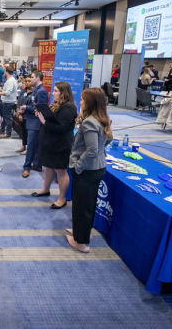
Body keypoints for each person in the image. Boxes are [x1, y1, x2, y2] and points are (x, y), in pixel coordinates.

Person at [67, 88, 112, 253]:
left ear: (90, 102)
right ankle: (81, 233)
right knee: (86, 204)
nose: (80, 102)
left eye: (82, 99)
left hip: (87, 170)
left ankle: (80, 241)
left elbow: (92, 150)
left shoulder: (89, 122)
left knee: (82, 206)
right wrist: (100, 150)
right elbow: (109, 139)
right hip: (96, 168)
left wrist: (78, 166)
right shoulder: (101, 119)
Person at [33, 82, 78, 209]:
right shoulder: (57, 105)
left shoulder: (69, 107)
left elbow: (61, 127)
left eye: (56, 91)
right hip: (50, 142)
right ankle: (45, 189)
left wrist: (44, 121)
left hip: (61, 144)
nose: (53, 93)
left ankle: (62, 198)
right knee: (48, 166)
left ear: (64, 93)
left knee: (61, 171)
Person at [19, 70, 48, 178]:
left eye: (32, 77)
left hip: (35, 122)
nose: (30, 79)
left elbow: (39, 109)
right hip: (32, 121)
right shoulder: (37, 90)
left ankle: (26, 167)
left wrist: (27, 108)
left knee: (31, 146)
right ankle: (36, 165)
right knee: (35, 145)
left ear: (38, 78)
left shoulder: (41, 91)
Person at [16, 77, 33, 155]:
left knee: (28, 133)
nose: (27, 82)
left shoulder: (34, 92)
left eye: (29, 81)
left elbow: (31, 105)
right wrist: (18, 112)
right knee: (23, 131)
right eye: (26, 81)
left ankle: (29, 148)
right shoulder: (23, 91)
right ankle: (23, 146)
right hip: (21, 115)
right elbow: (18, 102)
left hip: (29, 116)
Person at [0, 67, 17, 138]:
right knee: (5, 117)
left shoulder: (10, 81)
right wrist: (1, 91)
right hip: (7, 101)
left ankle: (8, 133)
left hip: (8, 102)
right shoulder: (10, 80)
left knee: (7, 118)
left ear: (6, 72)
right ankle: (2, 130)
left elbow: (8, 93)